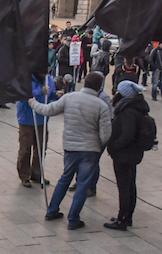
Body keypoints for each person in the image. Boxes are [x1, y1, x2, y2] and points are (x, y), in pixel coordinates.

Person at [29, 72, 112, 230]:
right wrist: (97, 143)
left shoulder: (69, 98)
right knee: (82, 184)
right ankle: (73, 219)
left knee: (65, 178)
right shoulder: (101, 105)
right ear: (99, 87)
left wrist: (33, 103)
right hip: (90, 149)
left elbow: (48, 110)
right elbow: (105, 134)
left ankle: (52, 210)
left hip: (71, 147)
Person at [103, 81, 149, 231]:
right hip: (131, 153)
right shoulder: (134, 108)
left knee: (124, 186)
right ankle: (126, 216)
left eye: (118, 91)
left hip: (125, 154)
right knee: (129, 184)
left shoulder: (128, 111)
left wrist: (114, 146)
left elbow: (128, 135)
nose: (116, 93)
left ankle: (123, 218)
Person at [16, 73, 58, 188]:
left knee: (41, 147)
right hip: (27, 118)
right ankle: (24, 175)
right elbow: (22, 97)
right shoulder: (26, 78)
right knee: (25, 148)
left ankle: (37, 173)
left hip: (42, 118)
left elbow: (50, 95)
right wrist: (40, 92)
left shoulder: (48, 78)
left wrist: (56, 95)